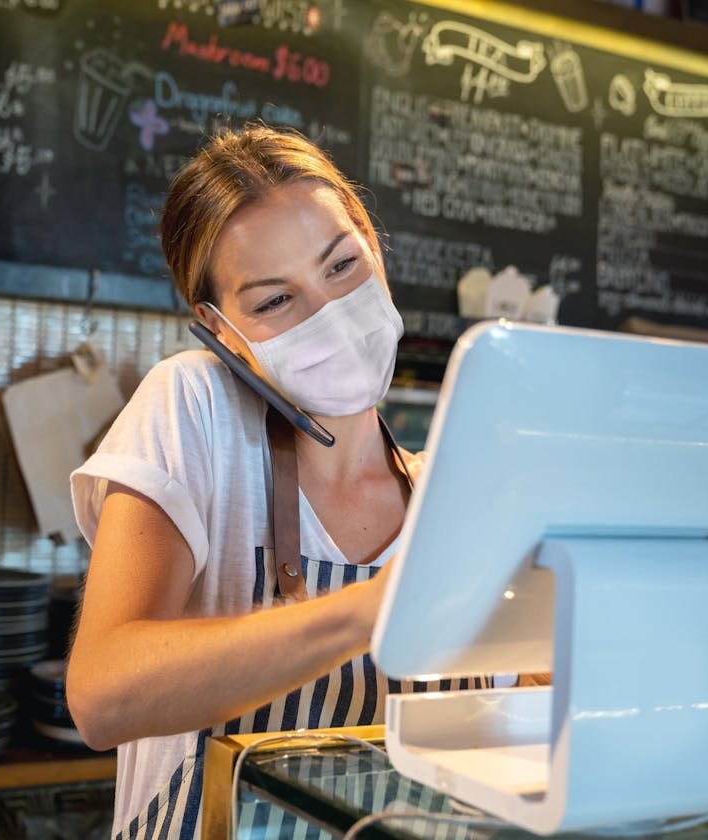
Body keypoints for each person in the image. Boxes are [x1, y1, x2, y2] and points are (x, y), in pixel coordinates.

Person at [67, 126, 492, 840]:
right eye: (274, 302)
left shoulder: (457, 496)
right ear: (220, 329)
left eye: (341, 266)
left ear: (374, 248)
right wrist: (372, 610)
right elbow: (102, 697)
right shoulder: (194, 409)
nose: (329, 313)